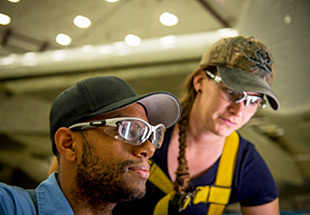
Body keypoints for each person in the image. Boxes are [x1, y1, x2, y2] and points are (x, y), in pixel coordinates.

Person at [113, 36, 280, 215]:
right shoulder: (142, 133)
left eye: (253, 101)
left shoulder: (246, 165)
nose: (238, 111)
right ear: (200, 81)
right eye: (231, 91)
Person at [0, 76, 181, 215]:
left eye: (152, 134)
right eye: (129, 129)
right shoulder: (10, 206)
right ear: (68, 144)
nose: (149, 149)